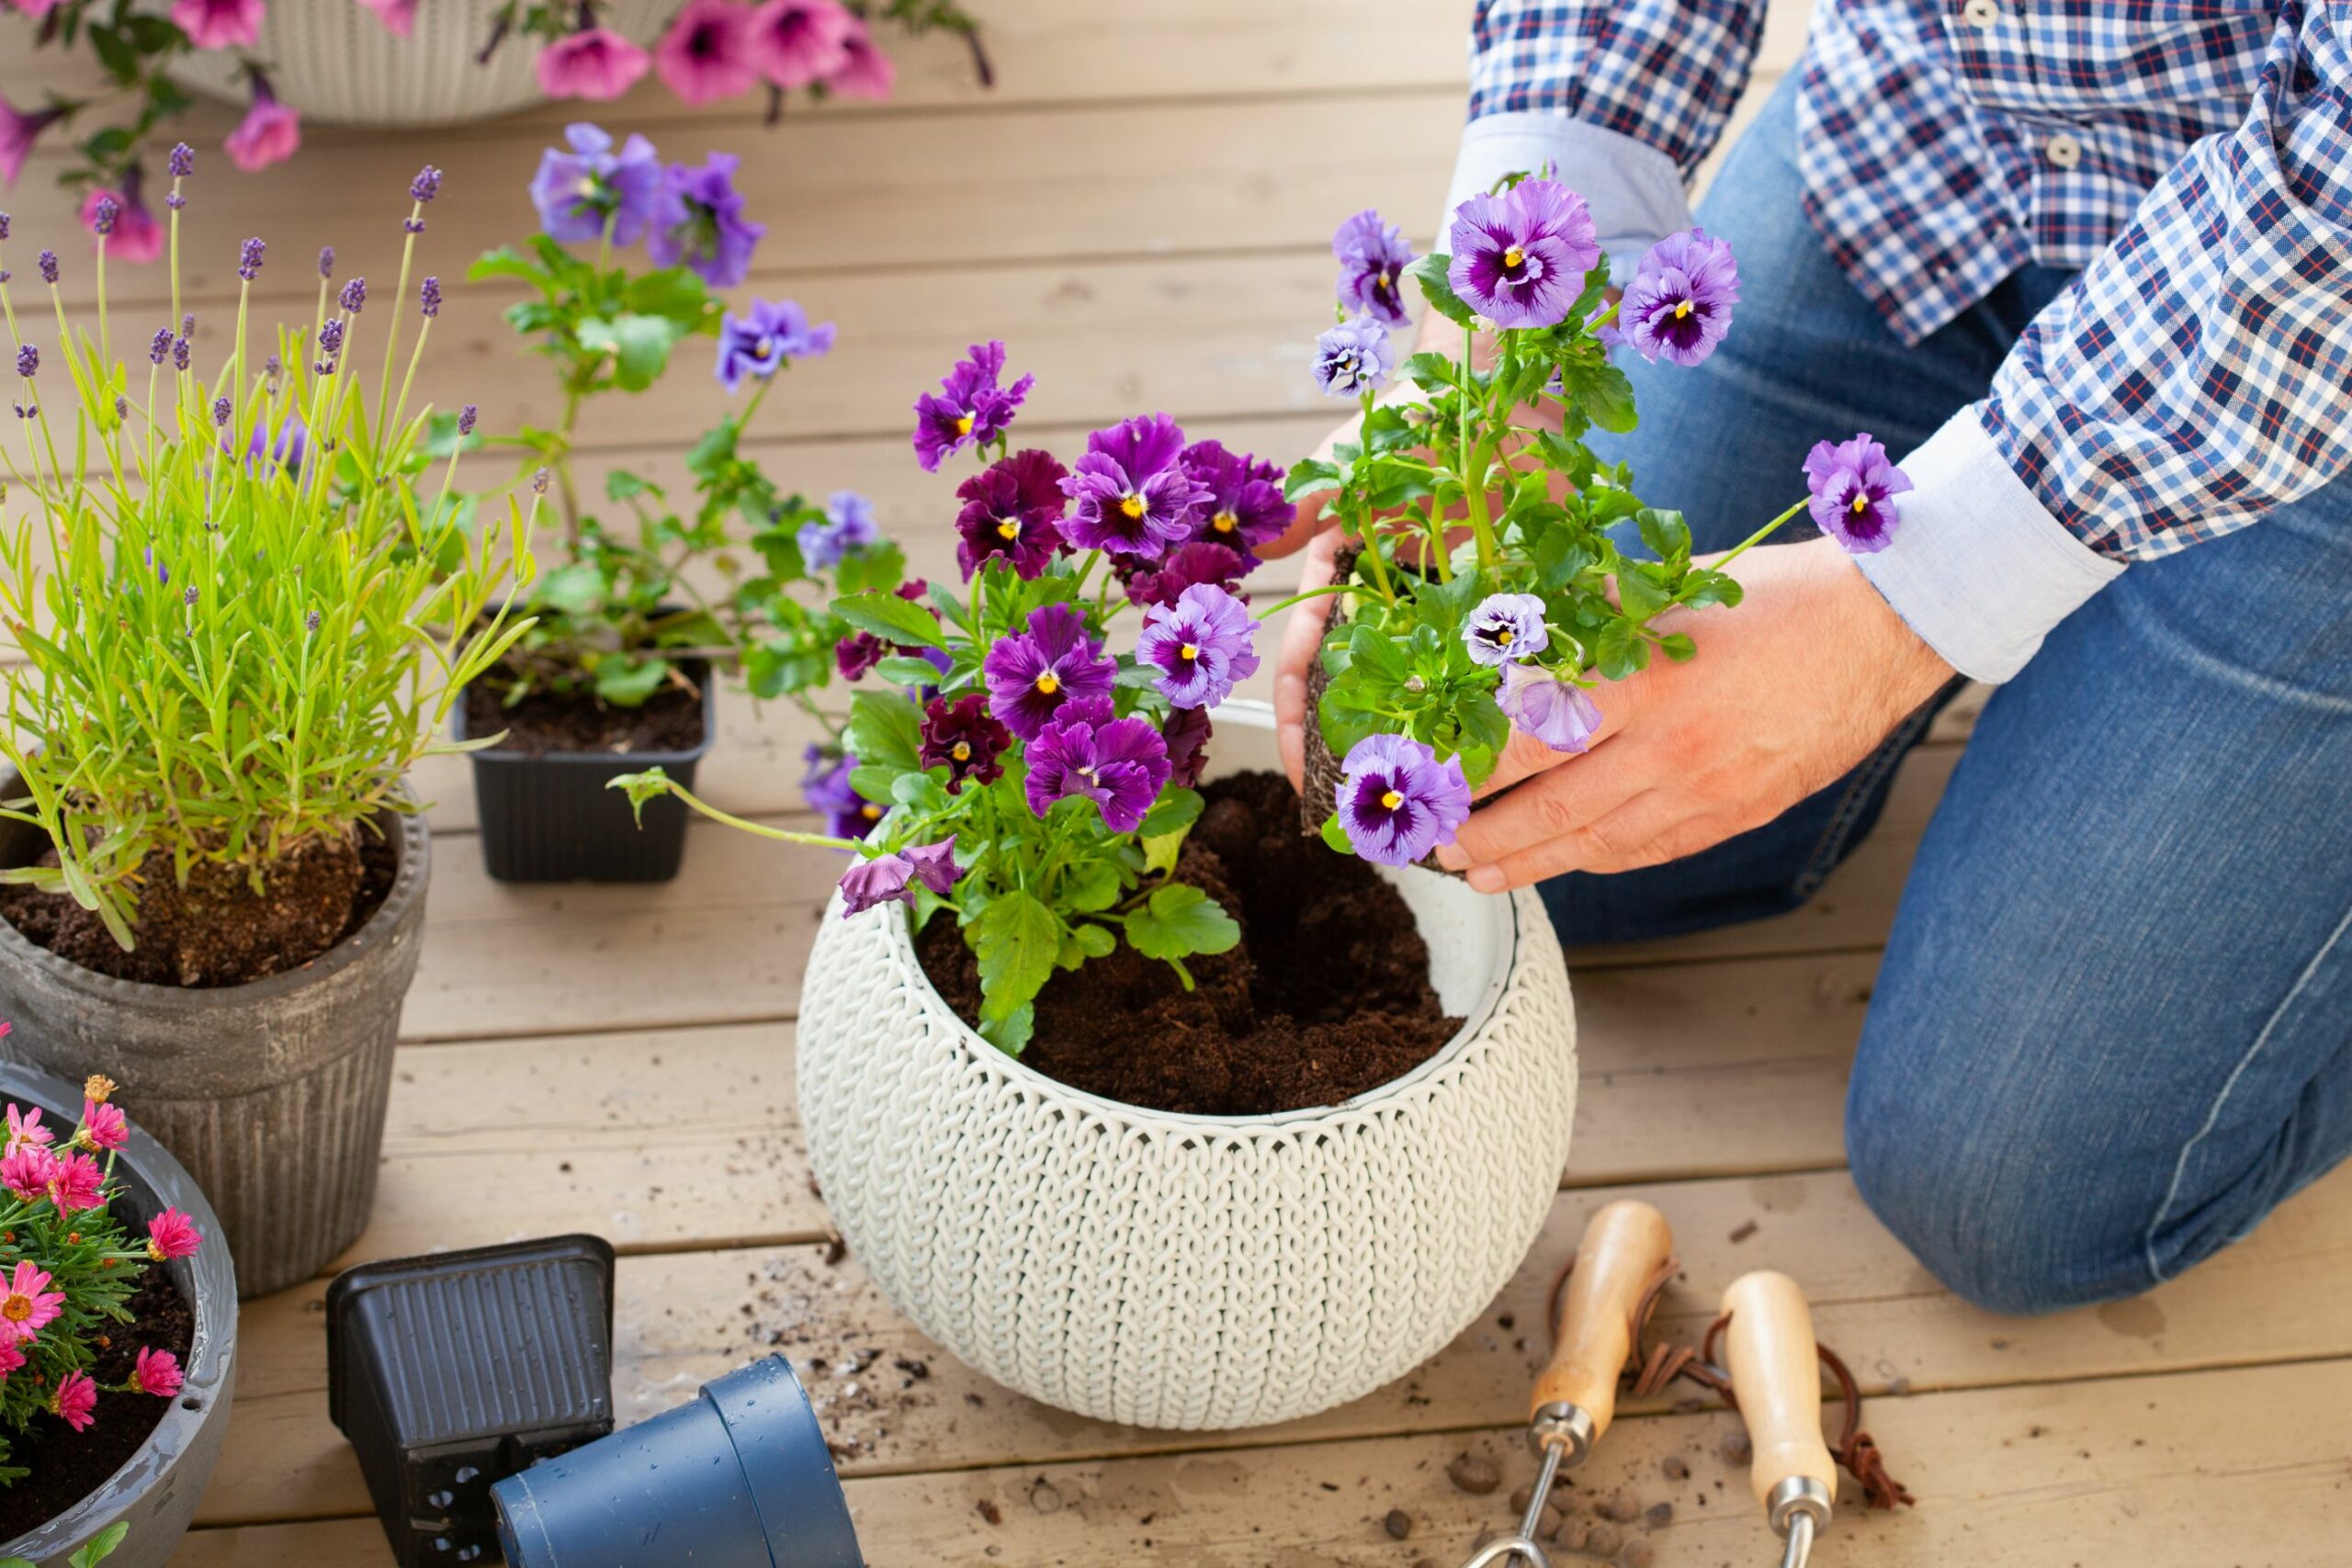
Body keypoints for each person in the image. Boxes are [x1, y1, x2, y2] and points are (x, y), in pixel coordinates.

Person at [1270, 1, 2352, 1315]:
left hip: (2316, 297)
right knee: (1566, 826)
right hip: (1942, 149)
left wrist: (1899, 610)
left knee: (2008, 1193)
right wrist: (1514, 313)